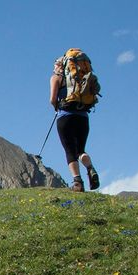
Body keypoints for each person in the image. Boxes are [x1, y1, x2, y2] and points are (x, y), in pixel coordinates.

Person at [50, 56, 99, 192]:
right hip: (83, 117)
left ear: (60, 65)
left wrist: (57, 107)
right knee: (80, 150)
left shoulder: (56, 78)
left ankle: (78, 182)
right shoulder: (80, 77)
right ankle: (90, 168)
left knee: (70, 151)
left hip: (65, 117)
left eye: (55, 65)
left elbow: (52, 99)